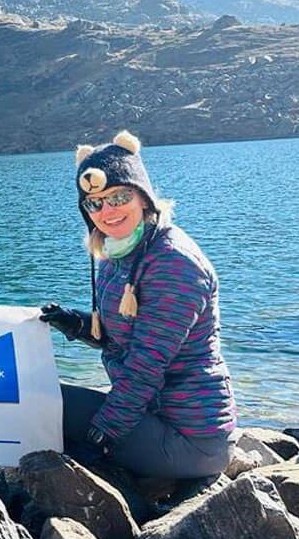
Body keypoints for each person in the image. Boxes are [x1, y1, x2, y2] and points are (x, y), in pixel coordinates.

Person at [39, 131, 237, 480]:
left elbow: (146, 366)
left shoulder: (174, 264)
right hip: (155, 415)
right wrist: (78, 325)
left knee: (43, 403)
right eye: (95, 203)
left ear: (143, 196)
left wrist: (103, 434)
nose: (107, 211)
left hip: (190, 439)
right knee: (43, 401)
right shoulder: (120, 250)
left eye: (118, 197)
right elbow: (125, 336)